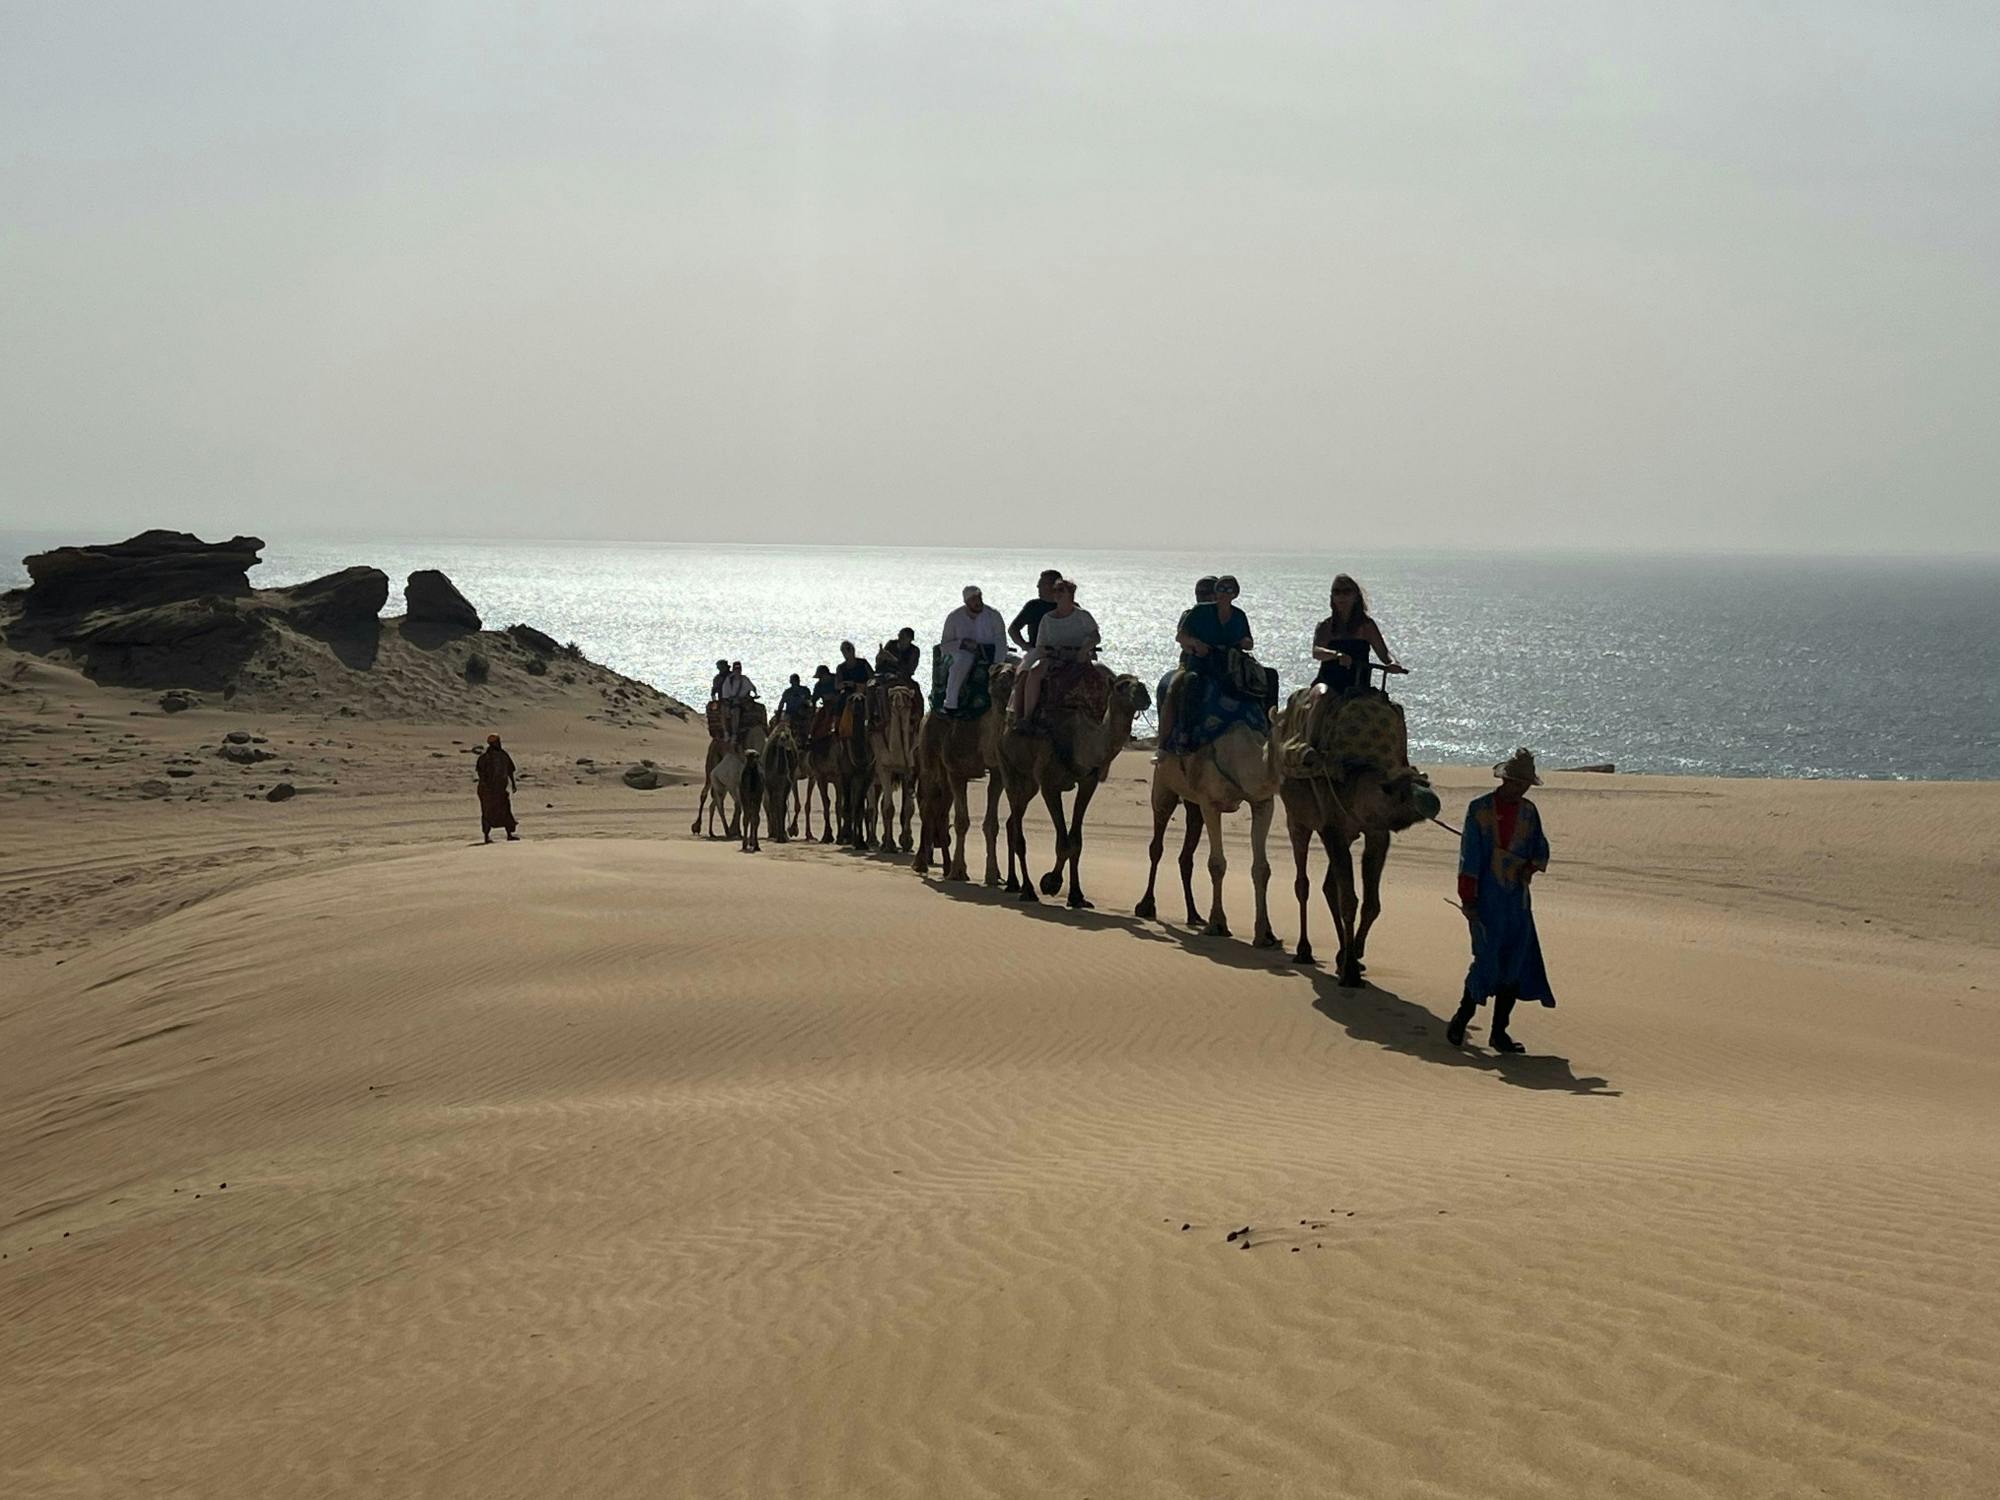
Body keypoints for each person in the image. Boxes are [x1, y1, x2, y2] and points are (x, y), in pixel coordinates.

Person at [1447, 748, 1555, 1053]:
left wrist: (1529, 865)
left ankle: (1499, 1032)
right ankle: (1461, 1018)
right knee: (1486, 961)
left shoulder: (1529, 812)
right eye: (1516, 782)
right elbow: (1469, 857)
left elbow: (1540, 848)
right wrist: (1468, 900)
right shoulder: (1478, 810)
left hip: (1517, 901)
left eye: (1525, 784)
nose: (1519, 788)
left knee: (1515, 964)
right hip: (1487, 900)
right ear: (1505, 778)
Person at [1158, 574, 1251, 752]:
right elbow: (1182, 638)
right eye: (1203, 593)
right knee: (1182, 685)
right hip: (1194, 660)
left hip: (1229, 661)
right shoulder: (1193, 613)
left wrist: (1242, 643)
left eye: (1209, 593)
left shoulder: (1237, 615)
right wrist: (1196, 645)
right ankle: (1178, 735)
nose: (1206, 597)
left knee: (1260, 681)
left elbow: (1246, 638)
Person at [1014, 578, 1098, 731]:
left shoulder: (1082, 616)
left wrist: (1084, 649)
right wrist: (1049, 651)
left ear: (1071, 595)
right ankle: (1027, 716)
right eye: (1056, 591)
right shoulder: (1048, 619)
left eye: (1061, 591)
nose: (1057, 594)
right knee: (1033, 674)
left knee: (1103, 677)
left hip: (1077, 658)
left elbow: (1095, 636)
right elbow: (1040, 644)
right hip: (1054, 658)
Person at [1312, 574, 1405, 695]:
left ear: (1356, 597)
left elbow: (1384, 653)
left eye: (1346, 591)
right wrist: (1337, 655)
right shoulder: (1325, 626)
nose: (1341, 596)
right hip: (1329, 684)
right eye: (1337, 592)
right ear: (1332, 597)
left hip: (1359, 684)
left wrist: (1393, 663)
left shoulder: (1367, 626)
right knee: (1321, 697)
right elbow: (1316, 652)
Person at [940, 586, 1008, 712]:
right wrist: (963, 643)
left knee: (1019, 663)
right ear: (966, 602)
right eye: (973, 599)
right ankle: (951, 703)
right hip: (963, 652)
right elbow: (944, 646)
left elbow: (1001, 642)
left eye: (979, 597)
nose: (978, 602)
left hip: (990, 652)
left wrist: (997, 664)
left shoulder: (993, 615)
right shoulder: (954, 617)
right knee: (963, 661)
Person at [475, 733, 518, 844]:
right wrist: (486, 787)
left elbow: (510, 770)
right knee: (488, 812)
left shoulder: (504, 755)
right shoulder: (485, 758)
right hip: (488, 791)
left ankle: (509, 834)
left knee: (505, 810)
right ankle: (486, 836)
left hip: (500, 790)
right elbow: (481, 774)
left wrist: (513, 784)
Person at [1008, 569, 1064, 654]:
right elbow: (1013, 629)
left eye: (1041, 584)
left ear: (1053, 586)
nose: (1038, 586)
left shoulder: (1069, 607)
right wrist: (1026, 647)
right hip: (1039, 654)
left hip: (1065, 654)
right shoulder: (1033, 606)